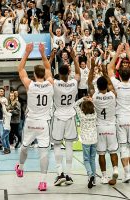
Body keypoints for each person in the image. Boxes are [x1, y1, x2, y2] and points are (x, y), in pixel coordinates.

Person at [15, 43, 54, 191]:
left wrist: (27, 52)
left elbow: (20, 69)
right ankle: (43, 182)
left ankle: (21, 167)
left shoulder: (29, 84)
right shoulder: (50, 83)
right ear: (44, 74)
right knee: (44, 152)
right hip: (44, 123)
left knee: (24, 147)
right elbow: (49, 68)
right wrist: (43, 54)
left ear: (34, 75)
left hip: (31, 122)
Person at [108, 43, 130, 183]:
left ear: (119, 75)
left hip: (120, 119)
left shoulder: (117, 84)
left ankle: (126, 174)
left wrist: (118, 51)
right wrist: (128, 52)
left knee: (123, 148)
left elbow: (109, 67)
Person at [51, 47, 80, 186]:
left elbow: (46, 72)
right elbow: (79, 73)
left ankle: (59, 173)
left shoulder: (55, 83)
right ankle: (69, 175)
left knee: (57, 144)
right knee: (69, 145)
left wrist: (50, 58)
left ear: (58, 73)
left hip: (58, 116)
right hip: (70, 116)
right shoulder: (74, 83)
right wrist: (74, 58)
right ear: (69, 72)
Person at [93, 76, 119, 185]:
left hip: (100, 128)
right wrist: (105, 73)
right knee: (113, 151)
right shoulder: (112, 95)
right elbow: (111, 87)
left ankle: (104, 176)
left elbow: (90, 83)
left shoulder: (95, 97)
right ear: (106, 86)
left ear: (98, 87)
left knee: (101, 153)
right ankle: (115, 169)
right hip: (111, 127)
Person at [74, 97, 98, 189]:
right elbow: (95, 107)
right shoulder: (95, 115)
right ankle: (94, 180)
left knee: (86, 160)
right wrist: (91, 101)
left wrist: (82, 99)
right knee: (92, 159)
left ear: (83, 109)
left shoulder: (82, 116)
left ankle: (90, 174)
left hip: (86, 141)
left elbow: (75, 105)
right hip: (94, 140)